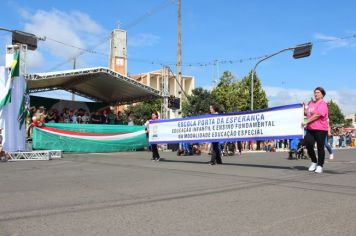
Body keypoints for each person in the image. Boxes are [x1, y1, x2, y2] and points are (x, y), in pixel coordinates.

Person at [303, 87, 329, 173]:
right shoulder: (311, 103)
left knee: (320, 147)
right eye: (315, 92)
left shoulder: (323, 104)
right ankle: (314, 161)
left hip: (321, 129)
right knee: (308, 144)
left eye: (317, 92)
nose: (315, 94)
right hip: (310, 129)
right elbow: (306, 113)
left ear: (322, 94)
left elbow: (317, 115)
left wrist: (306, 122)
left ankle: (320, 165)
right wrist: (302, 107)